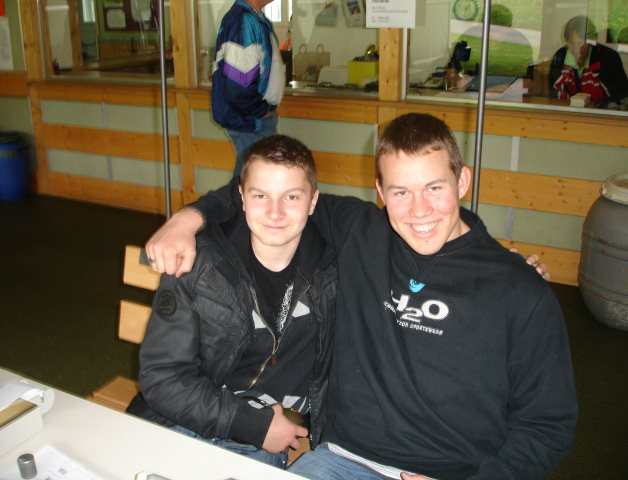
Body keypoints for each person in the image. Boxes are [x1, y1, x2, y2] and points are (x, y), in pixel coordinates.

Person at [146, 114, 577, 479]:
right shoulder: (360, 231)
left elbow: (547, 424)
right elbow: (266, 188)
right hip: (342, 461)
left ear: (462, 180)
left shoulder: (518, 289)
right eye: (400, 192)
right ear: (380, 192)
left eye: (434, 188)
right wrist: (188, 218)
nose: (419, 211)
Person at [126, 135, 337, 469]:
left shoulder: (335, 269)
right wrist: (250, 423)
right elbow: (163, 377)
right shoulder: (198, 261)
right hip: (187, 419)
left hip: (261, 441)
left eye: (291, 197)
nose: (275, 212)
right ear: (241, 198)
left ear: (313, 202)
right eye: (260, 196)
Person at [211, 0, 285, 177]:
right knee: (252, 181)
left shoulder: (253, 18)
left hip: (254, 120)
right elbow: (238, 86)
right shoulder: (243, 23)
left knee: (254, 180)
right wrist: (260, 111)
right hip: (251, 121)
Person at [550, 15, 628, 104]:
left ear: (591, 42)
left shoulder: (608, 58)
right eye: (571, 43)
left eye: (581, 43)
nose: (576, 49)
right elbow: (555, 95)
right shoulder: (560, 56)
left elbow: (622, 96)